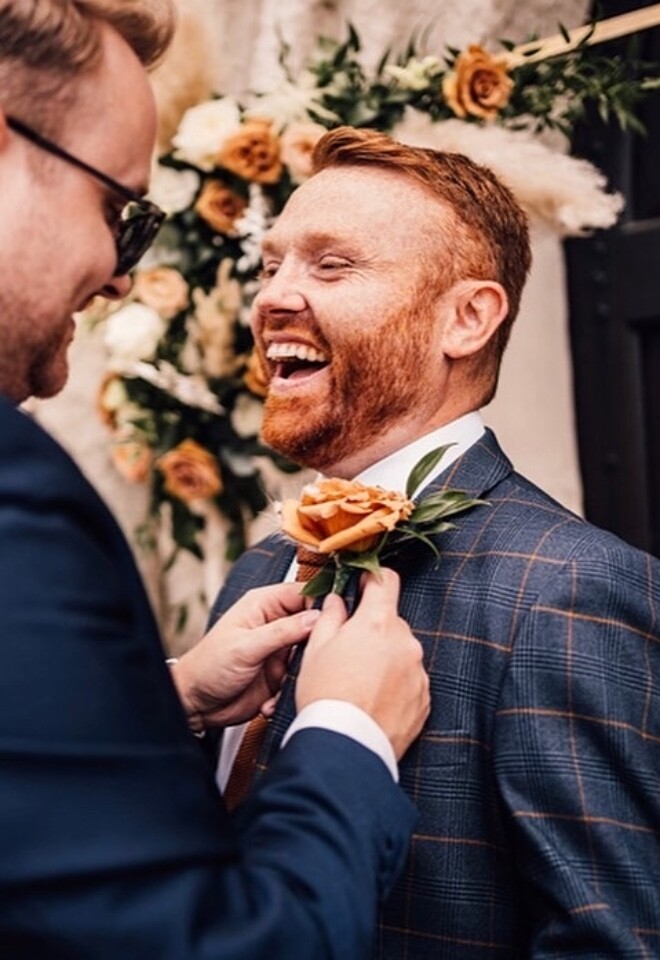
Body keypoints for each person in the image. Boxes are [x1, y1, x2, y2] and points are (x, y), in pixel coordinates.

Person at [0, 4, 432, 957]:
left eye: (334, 264)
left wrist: (176, 698)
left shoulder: (574, 586)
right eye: (117, 212)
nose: (119, 275)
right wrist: (348, 734)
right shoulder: (15, 495)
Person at [210, 125, 660, 958]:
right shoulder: (259, 571)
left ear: (467, 318)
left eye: (331, 265)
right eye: (271, 265)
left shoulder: (572, 590)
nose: (271, 296)